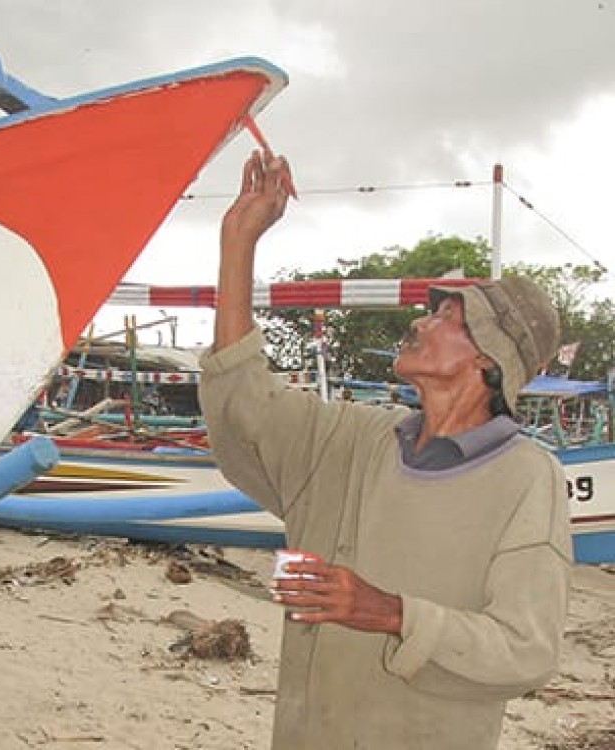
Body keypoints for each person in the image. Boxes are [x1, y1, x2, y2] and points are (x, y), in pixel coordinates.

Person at [198, 151, 572, 750]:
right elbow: (244, 404)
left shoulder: (528, 478)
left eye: (450, 318)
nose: (422, 324)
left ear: (487, 358)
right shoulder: (352, 437)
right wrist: (238, 241)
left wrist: (393, 613)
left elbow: (527, 649)